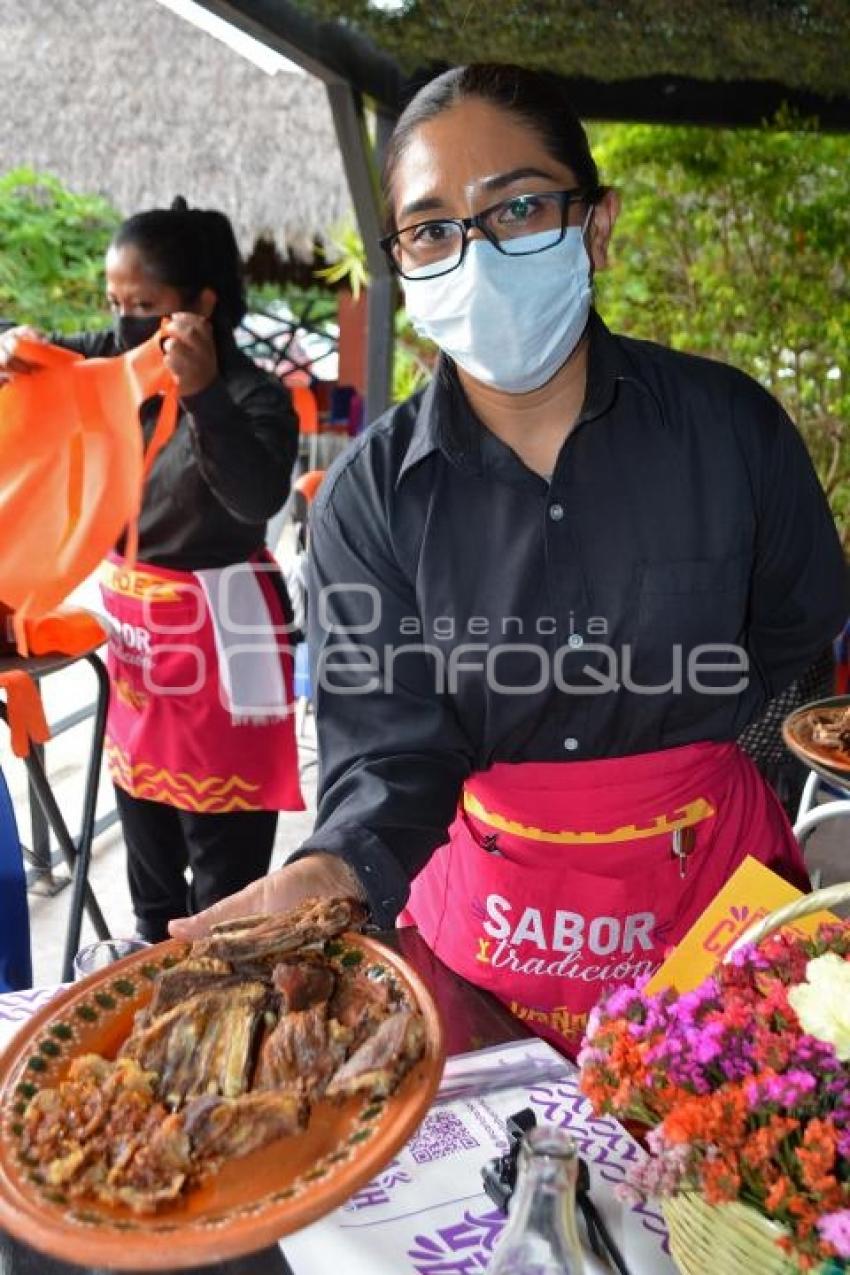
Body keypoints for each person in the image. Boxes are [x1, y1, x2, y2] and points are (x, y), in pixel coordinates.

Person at [169, 66, 847, 1056]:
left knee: (723, 1180)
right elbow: (387, 751)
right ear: (402, 261)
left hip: (718, 906)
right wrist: (332, 868)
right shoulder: (367, 498)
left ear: (596, 226)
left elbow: (794, 649)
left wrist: (722, 798)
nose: (475, 256)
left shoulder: (732, 431)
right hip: (488, 937)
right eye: (433, 227)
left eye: (520, 207)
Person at [0, 199, 303, 941]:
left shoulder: (253, 394)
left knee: (225, 868)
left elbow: (259, 495)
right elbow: (63, 355)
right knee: (148, 845)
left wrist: (201, 396)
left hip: (224, 641)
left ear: (200, 304)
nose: (125, 320)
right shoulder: (121, 362)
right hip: (138, 642)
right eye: (116, 303)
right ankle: (144, 972)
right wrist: (22, 349)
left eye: (145, 305)